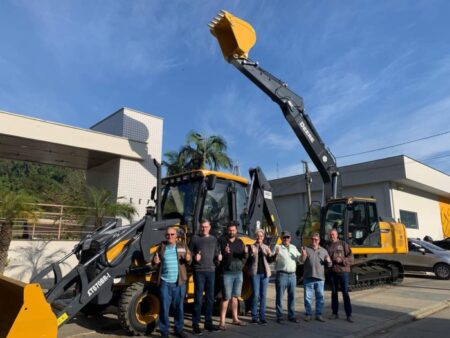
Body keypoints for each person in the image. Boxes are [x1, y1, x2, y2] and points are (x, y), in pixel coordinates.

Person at [152, 226, 192, 338]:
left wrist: (189, 258)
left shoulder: (182, 245)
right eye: (168, 235)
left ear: (176, 236)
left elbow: (189, 259)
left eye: (172, 234)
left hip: (179, 283)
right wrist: (155, 262)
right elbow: (154, 262)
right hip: (165, 282)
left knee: (179, 308)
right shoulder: (162, 247)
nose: (170, 236)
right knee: (164, 308)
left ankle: (178, 330)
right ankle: (164, 332)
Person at [189, 220, 222, 335]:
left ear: (210, 227)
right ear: (200, 227)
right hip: (199, 271)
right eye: (202, 227)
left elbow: (217, 251)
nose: (204, 229)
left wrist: (219, 256)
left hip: (211, 271)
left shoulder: (213, 239)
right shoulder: (195, 239)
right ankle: (195, 324)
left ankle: (208, 323)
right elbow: (189, 253)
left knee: (209, 298)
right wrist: (194, 256)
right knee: (198, 298)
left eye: (206, 227)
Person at [218, 222, 247, 330]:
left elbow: (244, 256)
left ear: (236, 230)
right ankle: (222, 322)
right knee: (226, 297)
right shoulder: (222, 241)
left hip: (238, 273)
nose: (231, 232)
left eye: (233, 230)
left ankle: (235, 319)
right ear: (227, 230)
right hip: (227, 273)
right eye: (230, 230)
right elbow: (218, 255)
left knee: (235, 297)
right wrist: (224, 252)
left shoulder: (240, 242)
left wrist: (246, 255)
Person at [300, 232, 332, 322]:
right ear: (310, 240)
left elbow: (329, 265)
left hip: (320, 278)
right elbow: (301, 261)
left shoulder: (324, 251)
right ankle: (308, 314)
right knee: (308, 298)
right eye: (312, 239)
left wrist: (329, 261)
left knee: (320, 298)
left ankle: (318, 314)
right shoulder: (306, 249)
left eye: (316, 239)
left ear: (319, 241)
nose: (314, 241)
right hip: (308, 277)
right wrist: (303, 255)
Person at [247, 229, 276, 325]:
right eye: (258, 236)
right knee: (255, 295)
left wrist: (274, 255)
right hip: (255, 274)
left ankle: (262, 317)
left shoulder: (266, 247)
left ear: (263, 237)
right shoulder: (251, 246)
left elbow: (270, 260)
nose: (259, 238)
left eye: (261, 236)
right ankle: (254, 317)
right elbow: (248, 260)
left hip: (265, 274)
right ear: (255, 236)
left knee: (263, 295)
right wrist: (251, 253)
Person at [325, 228, 354, 323]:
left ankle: (349, 315)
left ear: (337, 235)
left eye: (333, 234)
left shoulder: (343, 244)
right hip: (332, 272)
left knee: (345, 293)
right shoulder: (328, 246)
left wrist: (342, 260)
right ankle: (334, 313)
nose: (332, 236)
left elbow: (351, 258)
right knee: (334, 293)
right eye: (330, 235)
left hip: (343, 272)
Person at [274, 230, 301, 324]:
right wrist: (275, 254)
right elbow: (272, 258)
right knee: (280, 297)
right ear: (281, 238)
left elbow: (300, 260)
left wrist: (304, 256)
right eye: (284, 237)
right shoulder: (277, 247)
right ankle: (279, 316)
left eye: (288, 237)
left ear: (290, 238)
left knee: (292, 297)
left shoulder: (293, 247)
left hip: (292, 275)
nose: (286, 239)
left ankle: (291, 315)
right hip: (282, 275)